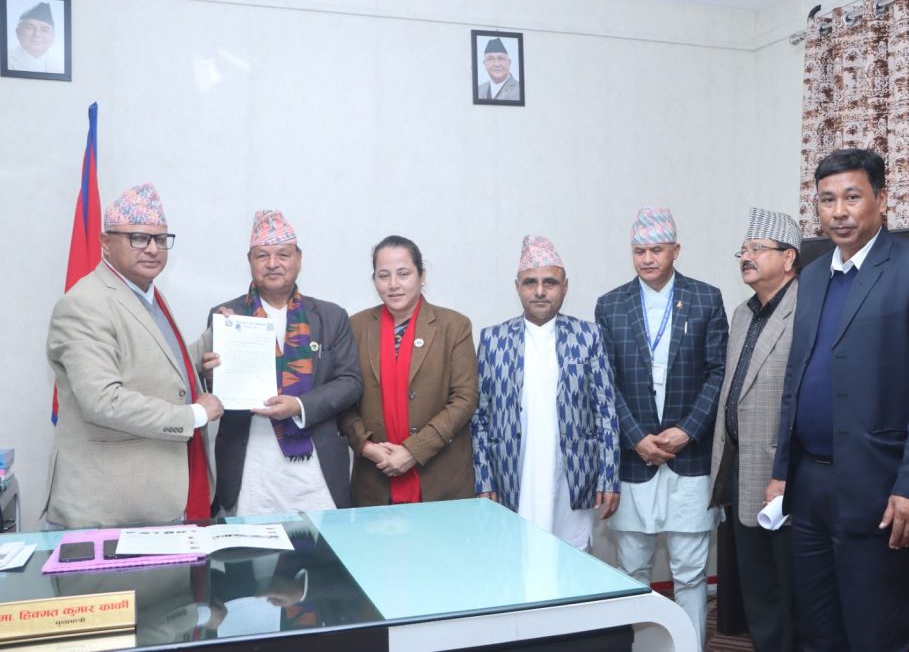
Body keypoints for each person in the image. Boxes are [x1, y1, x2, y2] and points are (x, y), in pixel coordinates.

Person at [768, 148, 909, 651]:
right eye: (827, 200)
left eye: (852, 197)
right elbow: (796, 377)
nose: (838, 211)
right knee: (818, 631)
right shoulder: (813, 275)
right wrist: (782, 471)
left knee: (876, 634)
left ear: (881, 198)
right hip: (809, 484)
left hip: (879, 486)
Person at [44, 183, 222, 528]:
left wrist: (218, 338)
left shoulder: (147, 293)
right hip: (108, 511)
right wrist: (195, 415)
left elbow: (160, 363)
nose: (152, 249)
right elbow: (103, 400)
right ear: (105, 243)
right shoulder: (84, 304)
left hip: (155, 501)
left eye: (160, 239)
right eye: (138, 238)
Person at [595, 206, 727, 646]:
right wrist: (635, 437)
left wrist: (688, 430)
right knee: (632, 568)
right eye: (639, 251)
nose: (647, 258)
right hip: (635, 460)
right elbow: (605, 382)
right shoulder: (611, 305)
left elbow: (718, 373)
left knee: (690, 571)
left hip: (690, 458)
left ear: (676, 250)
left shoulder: (706, 298)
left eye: (656, 249)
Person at [201, 210, 362, 516]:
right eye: (262, 255)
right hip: (252, 467)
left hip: (316, 470)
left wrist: (299, 405)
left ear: (298, 259)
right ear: (250, 260)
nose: (272, 263)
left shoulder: (330, 316)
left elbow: (350, 382)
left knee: (322, 546)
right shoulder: (225, 316)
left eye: (282, 255)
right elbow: (217, 388)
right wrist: (211, 375)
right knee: (252, 546)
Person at [471, 235, 620, 550]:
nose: (540, 291)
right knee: (515, 556)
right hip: (511, 475)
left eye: (549, 282)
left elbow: (606, 412)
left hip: (571, 476)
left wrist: (608, 476)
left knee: (570, 560)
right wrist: (484, 479)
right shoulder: (493, 340)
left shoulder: (587, 336)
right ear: (517, 287)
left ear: (565, 287)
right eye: (531, 282)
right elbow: (479, 418)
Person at [708, 207, 801, 651]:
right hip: (742, 466)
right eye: (743, 250)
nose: (746, 257)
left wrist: (787, 471)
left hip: (785, 473)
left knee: (791, 587)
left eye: (757, 249)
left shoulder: (807, 310)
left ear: (788, 258)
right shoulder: (743, 313)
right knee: (758, 587)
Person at [339, 235, 477, 506]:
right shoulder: (356, 327)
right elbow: (343, 398)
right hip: (374, 480)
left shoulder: (454, 326)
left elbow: (465, 398)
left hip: (440, 480)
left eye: (403, 274)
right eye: (384, 275)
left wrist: (414, 450)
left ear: (421, 275)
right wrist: (365, 446)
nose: (393, 284)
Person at [8, 2, 61, 73]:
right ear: (17, 32)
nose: (37, 34)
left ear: (53, 37)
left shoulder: (60, 64)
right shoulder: (5, 58)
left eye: (44, 30)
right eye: (30, 28)